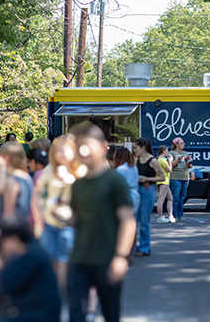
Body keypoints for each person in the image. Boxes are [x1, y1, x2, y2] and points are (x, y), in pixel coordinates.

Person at [57, 122, 136, 322]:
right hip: (79, 259)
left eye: (87, 146)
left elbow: (128, 221)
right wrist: (62, 216)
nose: (82, 151)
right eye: (78, 147)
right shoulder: (78, 184)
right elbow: (77, 219)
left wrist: (120, 257)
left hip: (107, 259)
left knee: (110, 314)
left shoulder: (114, 181)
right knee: (75, 314)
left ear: (102, 148)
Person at [0, 216, 61, 322]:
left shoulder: (33, 257)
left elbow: (4, 286)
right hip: (32, 312)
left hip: (39, 316)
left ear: (14, 239)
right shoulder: (33, 251)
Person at [31, 135, 78, 290]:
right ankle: (55, 292)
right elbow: (36, 193)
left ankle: (68, 291)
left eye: (65, 151)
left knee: (68, 261)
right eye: (58, 151)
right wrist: (38, 221)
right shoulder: (50, 169)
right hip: (49, 222)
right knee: (51, 260)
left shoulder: (79, 170)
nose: (61, 154)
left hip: (70, 223)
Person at [133, 138, 165, 256]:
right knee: (134, 220)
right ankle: (133, 248)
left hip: (147, 190)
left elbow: (162, 177)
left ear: (143, 148)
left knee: (144, 220)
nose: (134, 150)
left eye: (136, 147)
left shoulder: (152, 161)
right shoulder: (136, 159)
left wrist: (146, 179)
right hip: (136, 189)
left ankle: (144, 247)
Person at [114, 147, 140, 264]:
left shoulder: (120, 169)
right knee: (132, 223)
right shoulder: (133, 167)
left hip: (125, 195)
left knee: (121, 225)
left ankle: (123, 251)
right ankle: (131, 252)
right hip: (135, 195)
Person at [0, 142, 33, 221]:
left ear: (6, 158)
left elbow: (8, 214)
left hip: (13, 229)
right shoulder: (27, 177)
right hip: (25, 225)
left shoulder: (11, 181)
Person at [169, 138, 192, 222]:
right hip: (175, 177)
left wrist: (189, 163)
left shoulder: (185, 153)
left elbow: (189, 167)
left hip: (185, 177)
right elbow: (170, 165)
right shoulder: (171, 153)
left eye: (183, 143)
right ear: (176, 144)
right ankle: (174, 215)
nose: (183, 144)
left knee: (182, 197)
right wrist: (178, 159)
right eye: (181, 143)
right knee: (176, 197)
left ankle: (180, 215)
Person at [156, 145, 175, 223]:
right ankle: (160, 217)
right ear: (163, 151)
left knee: (170, 198)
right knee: (161, 199)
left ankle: (170, 215)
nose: (168, 152)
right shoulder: (162, 160)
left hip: (165, 181)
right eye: (167, 150)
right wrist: (170, 161)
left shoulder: (160, 159)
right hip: (163, 181)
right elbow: (169, 170)